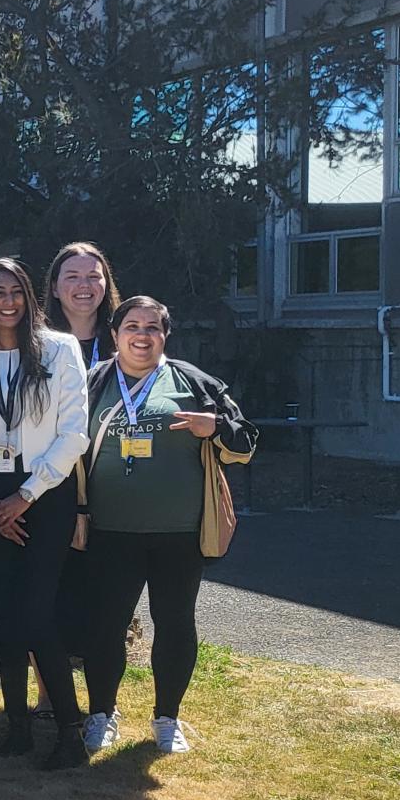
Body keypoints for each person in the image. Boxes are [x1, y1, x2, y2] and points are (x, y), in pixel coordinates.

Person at [79, 296, 257, 756]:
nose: (143, 335)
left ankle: (167, 718)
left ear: (166, 334)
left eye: (153, 327)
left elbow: (246, 442)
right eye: (132, 326)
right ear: (114, 334)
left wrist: (214, 427)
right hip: (110, 530)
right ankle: (100, 714)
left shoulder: (194, 381)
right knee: (104, 624)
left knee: (175, 623)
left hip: (179, 532)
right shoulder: (91, 382)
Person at [0, 258, 89, 768]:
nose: (7, 301)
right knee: (6, 613)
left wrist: (25, 496)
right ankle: (17, 728)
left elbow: (74, 432)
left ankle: (71, 730)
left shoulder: (59, 348)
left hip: (43, 493)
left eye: (16, 291)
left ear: (29, 297)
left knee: (36, 612)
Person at [44, 241, 123, 370]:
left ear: (106, 285)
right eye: (72, 277)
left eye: (93, 276)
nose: (84, 284)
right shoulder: (37, 345)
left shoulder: (124, 345)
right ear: (54, 288)